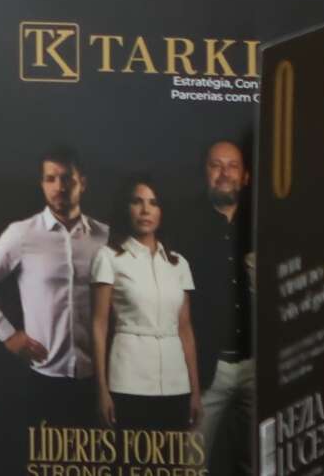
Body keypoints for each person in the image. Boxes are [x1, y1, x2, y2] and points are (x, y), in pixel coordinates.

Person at [0, 149, 108, 392]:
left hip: (97, 376)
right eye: (50, 179)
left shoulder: (103, 236)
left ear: (82, 183)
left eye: (67, 178)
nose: (59, 187)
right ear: (42, 184)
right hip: (42, 373)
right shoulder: (22, 233)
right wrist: (7, 334)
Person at [91, 175, 203, 435]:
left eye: (153, 203)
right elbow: (99, 325)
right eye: (137, 202)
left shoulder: (178, 263)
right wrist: (102, 391)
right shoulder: (109, 257)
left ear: (162, 211)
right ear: (126, 208)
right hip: (128, 380)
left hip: (176, 383)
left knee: (172, 457)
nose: (145, 210)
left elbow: (185, 329)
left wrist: (195, 391)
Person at [191, 138, 256, 476]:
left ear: (245, 176)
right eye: (216, 165)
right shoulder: (185, 227)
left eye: (232, 166)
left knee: (257, 462)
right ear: (205, 172)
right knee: (189, 464)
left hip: (256, 368)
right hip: (207, 370)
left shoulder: (263, 226)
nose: (224, 173)